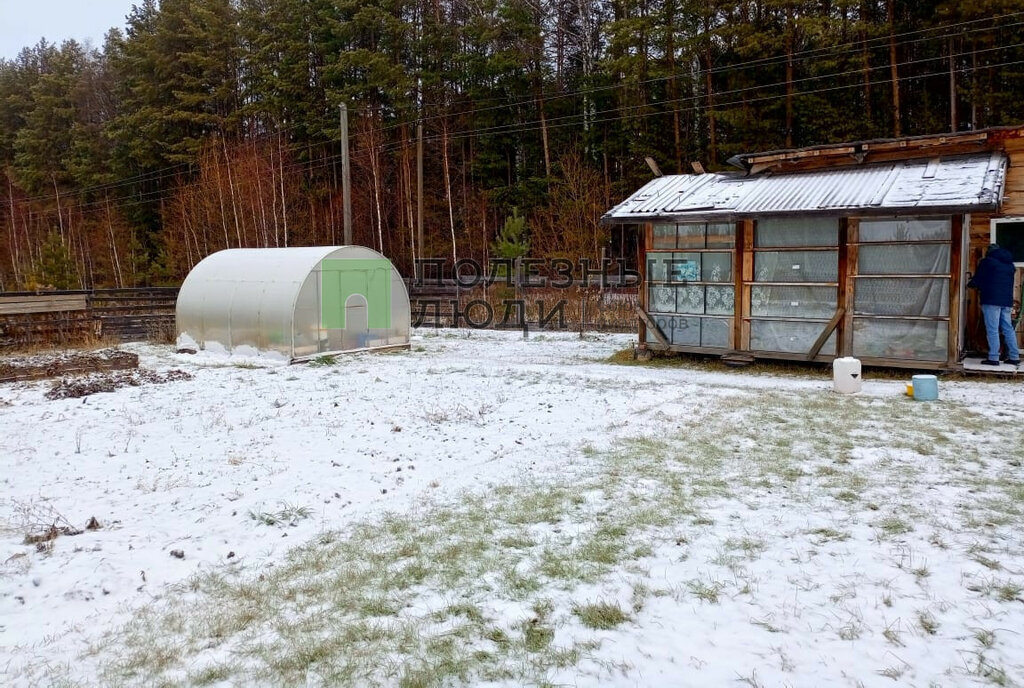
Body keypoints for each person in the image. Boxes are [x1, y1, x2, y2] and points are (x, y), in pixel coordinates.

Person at [968, 243, 1020, 366]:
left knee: (992, 329)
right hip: (1006, 301)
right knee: (1008, 329)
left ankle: (993, 358)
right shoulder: (1010, 265)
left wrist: (971, 284)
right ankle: (1014, 356)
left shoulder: (987, 262)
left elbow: (979, 278)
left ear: (989, 252)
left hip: (991, 300)